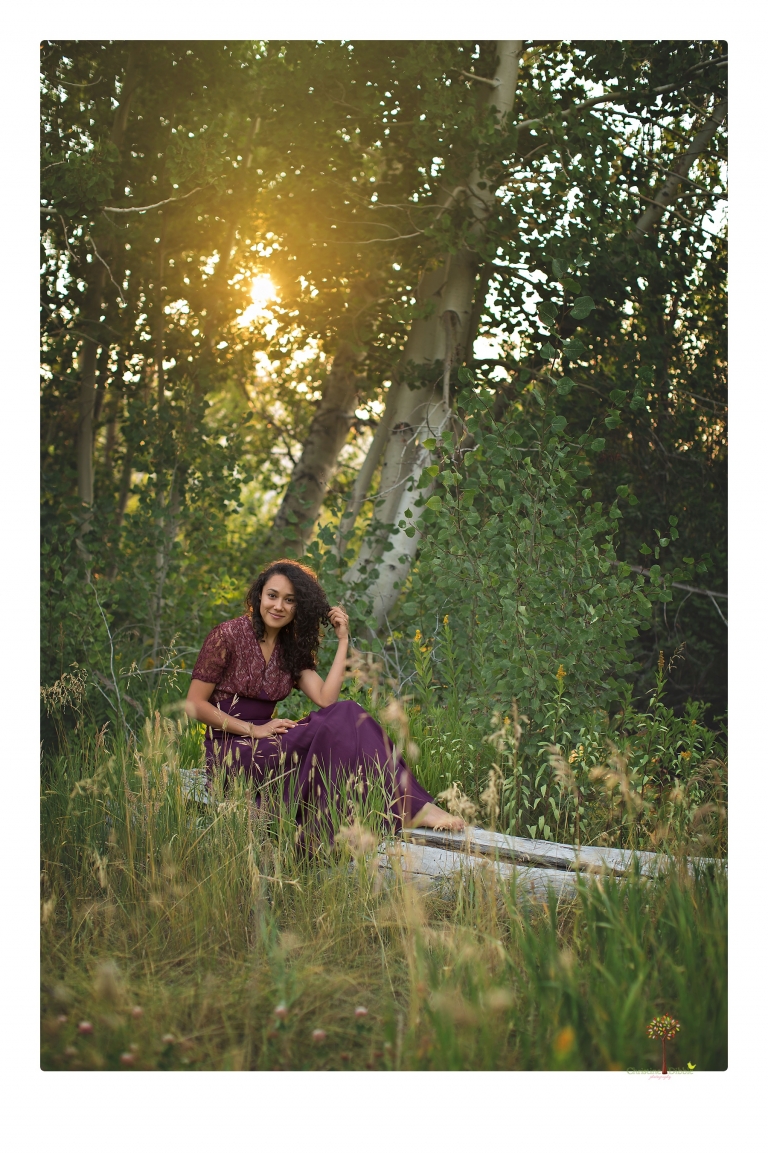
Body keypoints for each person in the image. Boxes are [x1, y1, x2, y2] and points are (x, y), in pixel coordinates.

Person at [185, 559, 464, 844]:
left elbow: (326, 699)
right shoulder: (228, 636)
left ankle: (405, 805)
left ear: (299, 607)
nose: (278, 606)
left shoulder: (289, 647)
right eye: (272, 596)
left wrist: (343, 640)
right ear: (259, 596)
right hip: (232, 751)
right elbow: (194, 704)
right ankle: (410, 807)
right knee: (340, 723)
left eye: (289, 600)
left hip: (272, 740)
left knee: (349, 713)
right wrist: (254, 730)